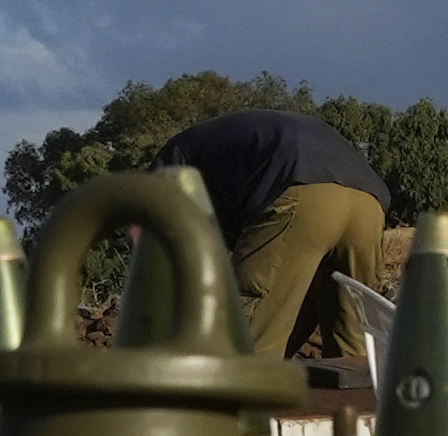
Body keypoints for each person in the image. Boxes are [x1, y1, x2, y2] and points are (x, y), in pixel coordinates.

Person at [154, 102, 389, 365]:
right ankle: (358, 404)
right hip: (368, 202)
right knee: (352, 339)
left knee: (245, 339)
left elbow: (162, 229)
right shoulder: (224, 147)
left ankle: (234, 401)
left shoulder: (175, 156)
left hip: (299, 188)